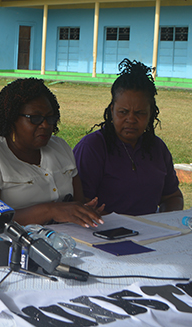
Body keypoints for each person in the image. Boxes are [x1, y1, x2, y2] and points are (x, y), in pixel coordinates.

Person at [0, 78, 103, 228]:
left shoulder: (60, 147)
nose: (46, 125)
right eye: (35, 118)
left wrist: (83, 211)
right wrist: (50, 211)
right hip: (7, 244)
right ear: (12, 119)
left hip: (63, 239)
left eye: (50, 118)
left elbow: (77, 201)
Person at [73, 59, 184, 216]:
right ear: (112, 110)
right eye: (123, 112)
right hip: (104, 233)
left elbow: (173, 197)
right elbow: (81, 203)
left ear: (151, 114)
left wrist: (163, 221)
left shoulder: (157, 148)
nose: (131, 119)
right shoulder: (92, 147)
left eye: (140, 113)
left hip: (150, 233)